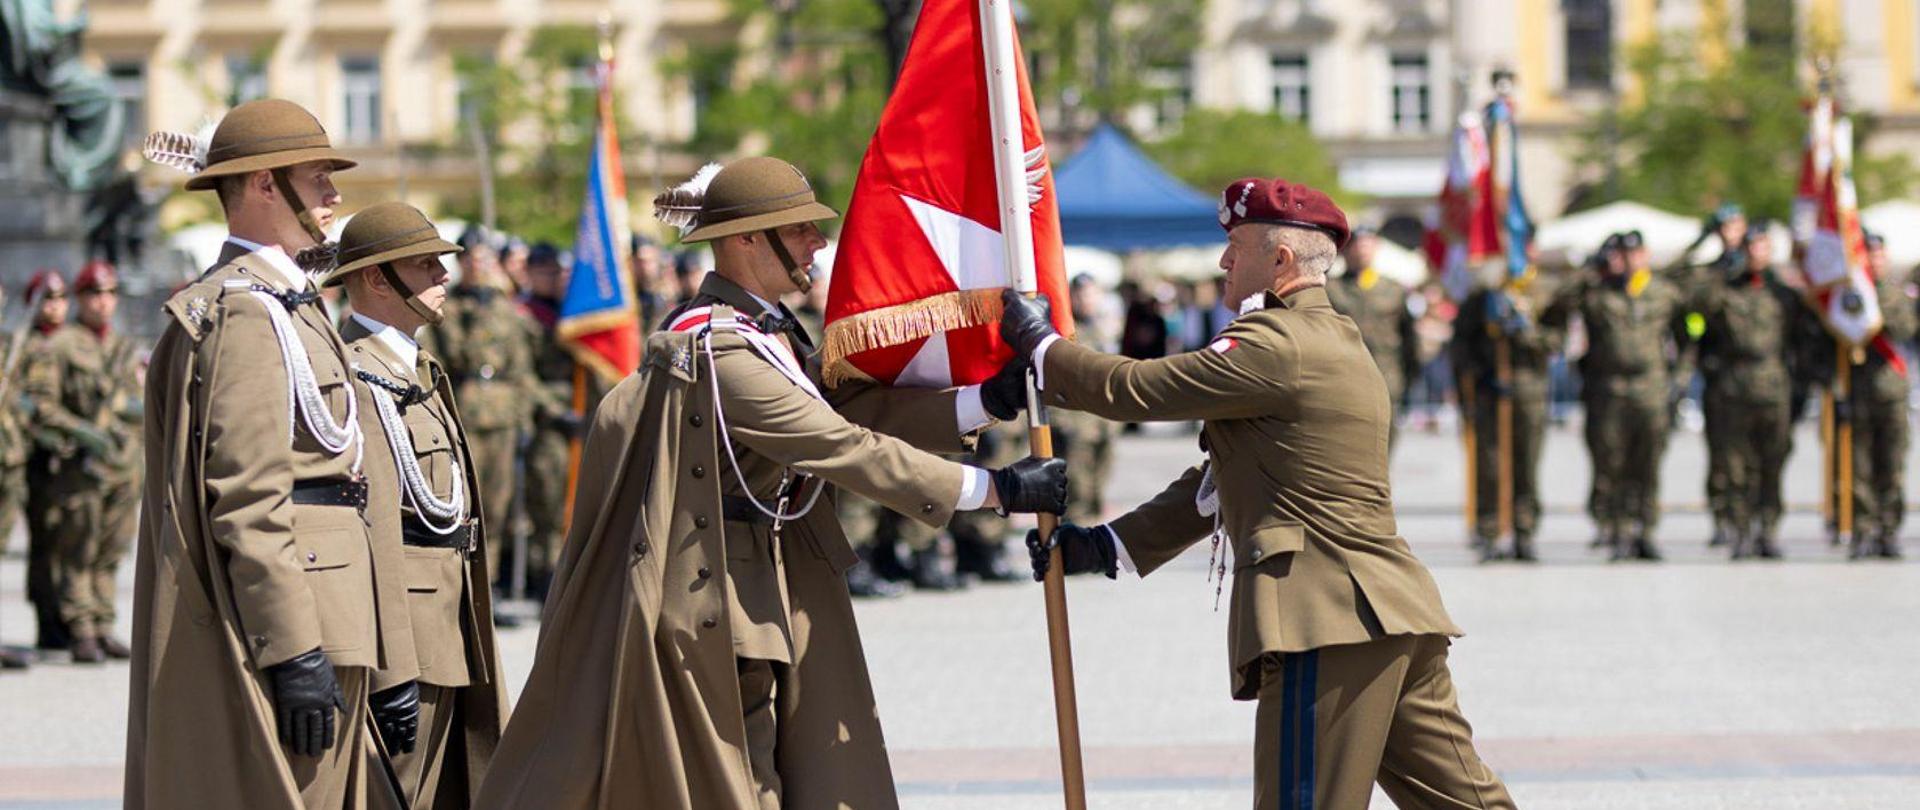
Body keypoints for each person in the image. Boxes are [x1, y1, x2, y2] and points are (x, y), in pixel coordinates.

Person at [476, 156, 1066, 810]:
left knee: (766, 778)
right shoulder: (721, 348)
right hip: (721, 598)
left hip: (765, 582)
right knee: (739, 784)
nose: (817, 243)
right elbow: (838, 445)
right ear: (746, 240)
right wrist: (997, 492)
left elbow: (848, 410)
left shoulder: (764, 332)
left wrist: (985, 401)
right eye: (799, 229)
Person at [1016, 176, 1512, 809]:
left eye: (1237, 245)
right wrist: (1111, 546)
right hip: (1390, 614)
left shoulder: (1277, 344)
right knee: (1467, 802)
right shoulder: (1332, 338)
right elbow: (1229, 477)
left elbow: (1135, 390)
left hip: (1324, 618)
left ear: (1279, 260)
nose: (1224, 260)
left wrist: (1042, 348)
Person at [127, 98, 408, 809]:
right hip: (303, 615)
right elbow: (249, 498)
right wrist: (293, 649)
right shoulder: (249, 314)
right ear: (261, 185)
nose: (334, 195)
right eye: (317, 177)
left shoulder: (287, 304)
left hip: (334, 608)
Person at [324, 201, 509, 807]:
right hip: (407, 637)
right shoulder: (358, 374)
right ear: (378, 278)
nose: (444, 275)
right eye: (426, 264)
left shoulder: (411, 365)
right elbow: (368, 529)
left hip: (448, 623)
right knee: (398, 795)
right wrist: (389, 668)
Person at [20, 260, 143, 662]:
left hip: (121, 464)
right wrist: (82, 431)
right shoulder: (61, 346)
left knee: (111, 549)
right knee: (77, 550)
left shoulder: (123, 346)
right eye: (94, 293)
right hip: (79, 468)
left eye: (109, 293)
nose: (102, 302)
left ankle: (104, 623)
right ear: (80, 298)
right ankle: (81, 628)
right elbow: (41, 404)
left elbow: (133, 400)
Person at [1545, 230, 1692, 561]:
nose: (1630, 261)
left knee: (1648, 461)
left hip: (1651, 389)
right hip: (1607, 389)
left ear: (1646, 255)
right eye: (1623, 255)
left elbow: (1688, 334)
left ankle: (1645, 528)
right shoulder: (1596, 294)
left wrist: (1679, 376)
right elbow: (1557, 305)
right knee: (1609, 460)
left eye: (1636, 254)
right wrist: (1590, 271)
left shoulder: (1664, 293)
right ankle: (1614, 527)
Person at [423, 227, 541, 611]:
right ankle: (464, 584)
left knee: (498, 505)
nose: (479, 265)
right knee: (466, 504)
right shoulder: (451, 308)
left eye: (485, 259)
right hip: (469, 409)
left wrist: (525, 418)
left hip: (503, 412)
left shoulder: (506, 307)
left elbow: (522, 367)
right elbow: (451, 357)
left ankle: (487, 588)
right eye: (472, 259)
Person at [1690, 225, 1815, 559]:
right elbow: (1695, 301)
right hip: (1735, 388)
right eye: (1752, 247)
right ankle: (1741, 531)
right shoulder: (1726, 290)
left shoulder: (1783, 294)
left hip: (1775, 387)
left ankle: (1768, 529)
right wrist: (1721, 263)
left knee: (1772, 462)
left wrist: (1804, 385)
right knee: (1736, 465)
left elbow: (1803, 339)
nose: (1758, 254)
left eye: (1763, 247)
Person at [1451, 255, 1563, 562]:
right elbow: (1461, 343)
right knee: (1489, 464)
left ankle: (1524, 530)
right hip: (1491, 390)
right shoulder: (1482, 296)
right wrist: (1474, 380)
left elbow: (1556, 341)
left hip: (1529, 391)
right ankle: (1489, 531)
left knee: (1526, 462)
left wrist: (1524, 331)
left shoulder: (1545, 293)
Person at [518, 242, 591, 600]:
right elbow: (520, 376)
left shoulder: (573, 313)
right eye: (544, 271)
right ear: (529, 273)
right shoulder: (524, 316)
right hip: (547, 422)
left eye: (555, 271)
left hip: (579, 415)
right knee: (548, 505)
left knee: (578, 500)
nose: (551, 277)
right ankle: (546, 580)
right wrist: (553, 410)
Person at [1846, 231, 1914, 559]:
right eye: (1869, 255)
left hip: (1892, 390)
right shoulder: (1849, 296)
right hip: (1859, 389)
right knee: (1859, 466)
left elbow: (1904, 330)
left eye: (1879, 256)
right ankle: (1862, 530)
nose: (1875, 261)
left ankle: (1888, 530)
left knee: (1892, 463)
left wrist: (1879, 300)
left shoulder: (1896, 296)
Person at [1327, 225, 1420, 450]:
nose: (1363, 250)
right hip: (1345, 382)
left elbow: (1410, 340)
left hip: (1386, 379)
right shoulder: (1332, 290)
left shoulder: (1394, 289)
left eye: (1368, 244)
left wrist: (1410, 381)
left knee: (1382, 449)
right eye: (1357, 245)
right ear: (1346, 250)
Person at [18, 269, 70, 656]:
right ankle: (46, 620)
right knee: (42, 541)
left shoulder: (73, 343)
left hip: (68, 459)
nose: (54, 307)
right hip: (34, 457)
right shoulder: (23, 346)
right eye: (46, 300)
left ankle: (70, 617)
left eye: (59, 299)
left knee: (67, 541)